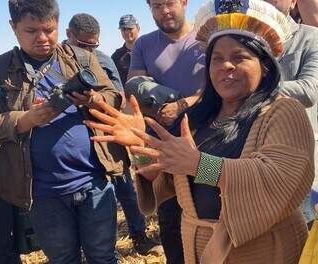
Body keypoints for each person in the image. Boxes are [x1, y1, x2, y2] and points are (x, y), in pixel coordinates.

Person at [85, 0, 315, 263]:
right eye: (216, 59)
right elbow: (177, 178)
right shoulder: (199, 118)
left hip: (262, 251)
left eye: (239, 57)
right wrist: (143, 153)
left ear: (265, 66)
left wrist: (200, 164)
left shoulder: (283, 111)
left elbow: (277, 179)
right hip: (199, 248)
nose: (225, 66)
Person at [0, 0, 126, 263]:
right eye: (31, 31)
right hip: (43, 194)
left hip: (94, 182)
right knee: (63, 259)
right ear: (13, 27)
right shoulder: (1, 71)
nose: (43, 39)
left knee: (103, 256)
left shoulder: (81, 58)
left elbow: (114, 97)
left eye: (49, 30)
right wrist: (25, 119)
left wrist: (91, 100)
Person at [66, 13, 161, 255]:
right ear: (69, 35)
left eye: (92, 45)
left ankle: (139, 235)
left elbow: (119, 97)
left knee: (125, 188)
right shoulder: (56, 63)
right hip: (77, 146)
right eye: (82, 45)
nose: (88, 51)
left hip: (110, 135)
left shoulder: (104, 61)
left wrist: (96, 100)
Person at [123, 1, 205, 262]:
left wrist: (181, 104)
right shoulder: (144, 44)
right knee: (171, 223)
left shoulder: (205, 38)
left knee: (208, 217)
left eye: (169, 3)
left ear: (184, 2)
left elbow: (216, 90)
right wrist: (155, 104)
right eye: (156, 6)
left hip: (205, 148)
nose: (164, 11)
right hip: (163, 155)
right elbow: (135, 87)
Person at [264, 0, 318, 229]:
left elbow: (309, 90)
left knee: (304, 226)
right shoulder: (241, 37)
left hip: (299, 152)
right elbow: (220, 174)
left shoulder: (310, 37)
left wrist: (255, 87)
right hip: (256, 152)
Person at [111, 14, 140, 86]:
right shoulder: (116, 56)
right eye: (123, 29)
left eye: (130, 28)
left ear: (138, 29)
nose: (127, 32)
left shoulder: (148, 50)